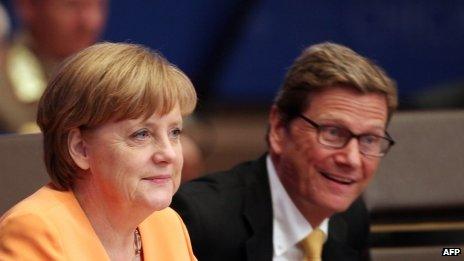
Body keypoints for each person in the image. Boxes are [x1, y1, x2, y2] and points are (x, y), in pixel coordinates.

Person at [171, 42, 398, 261]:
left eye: (369, 139)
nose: (352, 159)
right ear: (279, 128)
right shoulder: (199, 221)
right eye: (333, 133)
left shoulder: (350, 216)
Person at [0, 42, 197, 260]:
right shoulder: (36, 231)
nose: (168, 154)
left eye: (175, 132)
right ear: (80, 148)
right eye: (141, 134)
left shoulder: (166, 224)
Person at [0, 0, 107, 133]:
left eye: (96, 5)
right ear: (28, 6)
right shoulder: (3, 82)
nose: (90, 23)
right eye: (71, 5)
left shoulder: (118, 80)